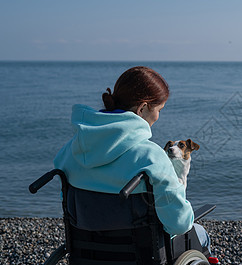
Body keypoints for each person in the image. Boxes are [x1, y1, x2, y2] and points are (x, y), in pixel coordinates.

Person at [54, 66, 209, 248]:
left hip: (87, 250)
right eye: (159, 109)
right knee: (201, 234)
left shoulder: (71, 150)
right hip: (142, 257)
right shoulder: (152, 156)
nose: (158, 116)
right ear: (143, 108)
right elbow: (179, 224)